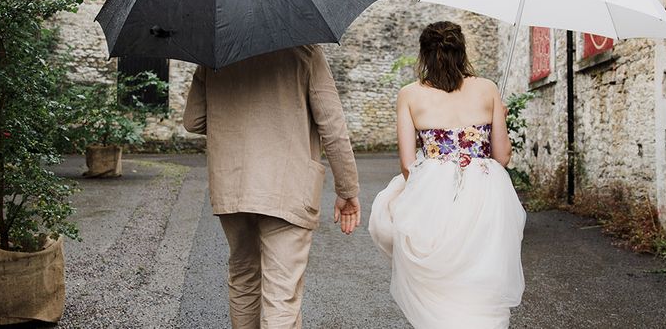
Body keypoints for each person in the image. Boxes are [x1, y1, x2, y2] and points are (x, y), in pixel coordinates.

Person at [183, 44, 360, 329]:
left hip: (232, 183)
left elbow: (193, 121)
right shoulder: (305, 51)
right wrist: (347, 189)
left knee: (243, 278)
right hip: (288, 186)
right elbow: (332, 126)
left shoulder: (214, 55)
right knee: (281, 294)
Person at [369, 21, 526, 328]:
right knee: (479, 266)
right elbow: (503, 157)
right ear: (462, 51)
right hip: (485, 188)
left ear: (424, 55)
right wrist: (499, 116)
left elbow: (406, 162)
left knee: (437, 266)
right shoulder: (488, 88)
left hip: (432, 187)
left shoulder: (410, 94)